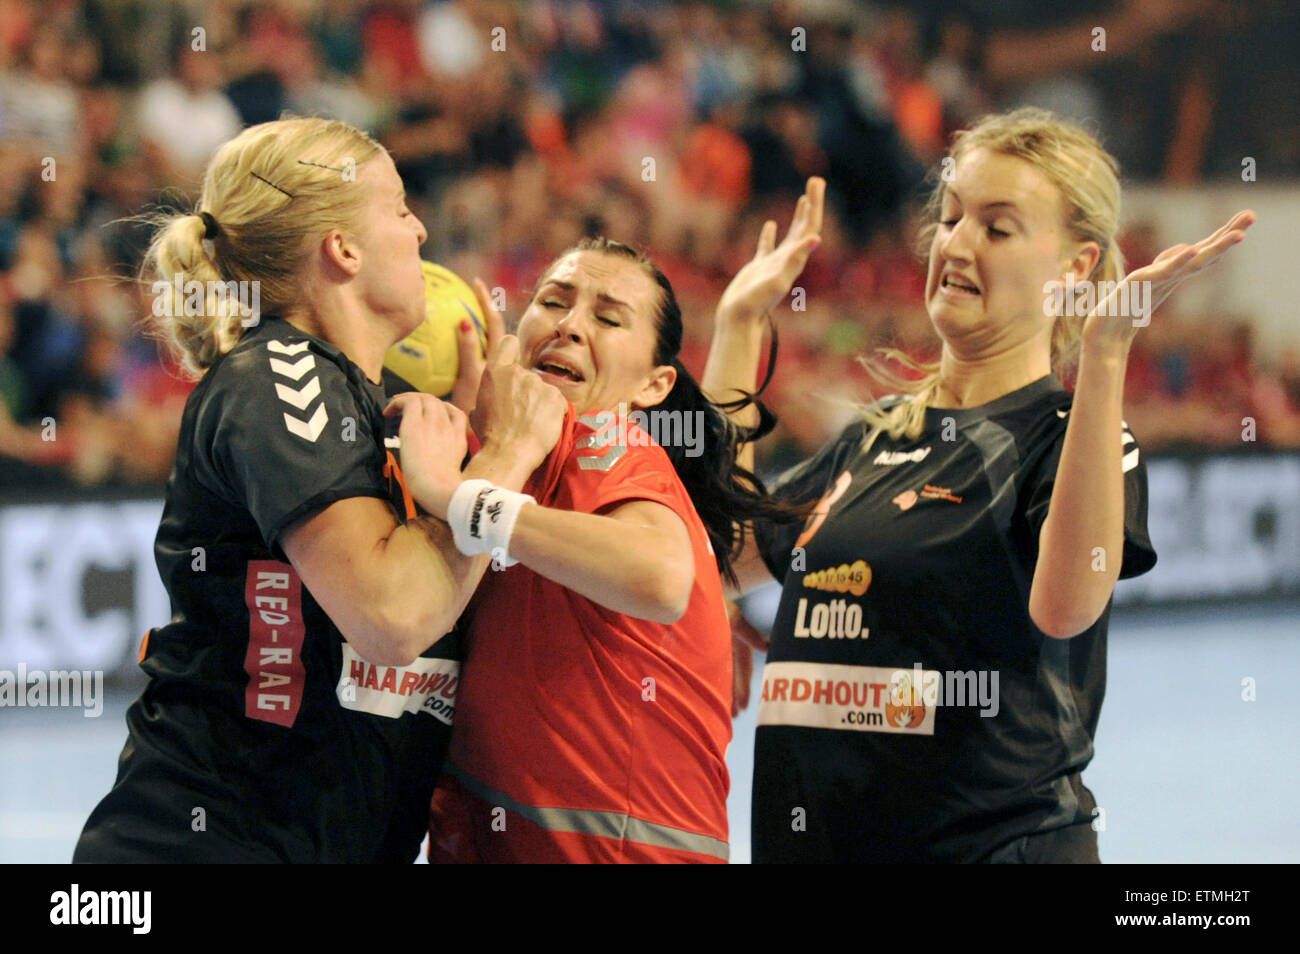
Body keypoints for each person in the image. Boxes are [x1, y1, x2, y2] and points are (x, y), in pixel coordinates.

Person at [709, 109, 1254, 862]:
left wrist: (1104, 353)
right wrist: (738, 329)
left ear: (1073, 268)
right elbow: (715, 554)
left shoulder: (1069, 439)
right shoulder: (871, 441)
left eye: (997, 229)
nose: (956, 244)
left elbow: (1066, 607)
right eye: (953, 216)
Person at [74, 117, 566, 863]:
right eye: (400, 208)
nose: (422, 229)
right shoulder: (279, 375)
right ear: (342, 248)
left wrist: (466, 443)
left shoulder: (358, 404)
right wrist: (504, 454)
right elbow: (391, 613)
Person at [394, 238, 797, 863]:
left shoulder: (606, 439)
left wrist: (463, 497)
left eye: (608, 318)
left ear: (655, 384)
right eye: (553, 302)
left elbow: (660, 576)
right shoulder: (513, 453)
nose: (570, 326)